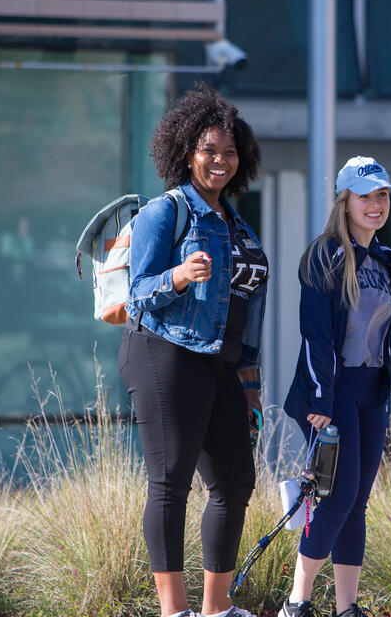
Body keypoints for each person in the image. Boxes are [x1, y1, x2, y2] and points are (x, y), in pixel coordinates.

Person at [120, 83, 268, 617]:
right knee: (171, 479)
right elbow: (137, 295)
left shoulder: (237, 223)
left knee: (234, 481)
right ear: (186, 152)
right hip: (165, 351)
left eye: (230, 153)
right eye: (209, 151)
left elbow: (248, 311)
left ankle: (215, 608)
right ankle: (173, 610)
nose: (220, 161)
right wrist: (178, 277)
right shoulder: (166, 212)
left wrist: (249, 385)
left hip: (221, 362)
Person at [282, 156, 391, 617]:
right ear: (345, 200)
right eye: (366, 195)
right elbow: (315, 332)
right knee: (336, 496)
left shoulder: (385, 259)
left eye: (382, 195)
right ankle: (298, 601)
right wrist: (321, 398)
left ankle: (346, 608)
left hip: (372, 390)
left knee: (358, 501)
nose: (375, 204)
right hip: (331, 392)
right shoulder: (324, 252)